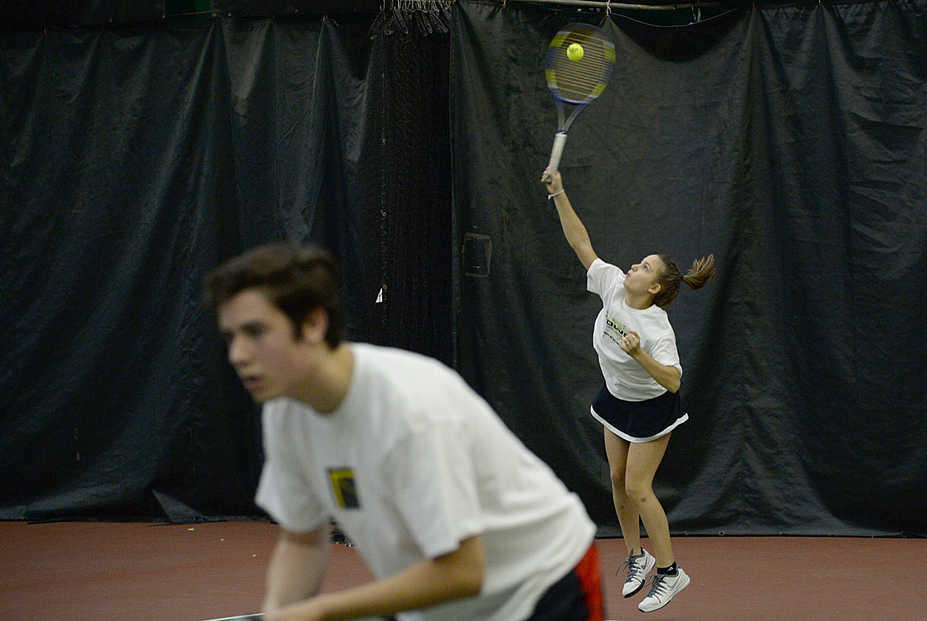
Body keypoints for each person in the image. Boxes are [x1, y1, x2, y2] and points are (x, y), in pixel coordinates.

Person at [203, 243, 603, 621]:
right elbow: (302, 540)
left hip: (543, 585)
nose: (237, 355)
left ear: (312, 324)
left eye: (255, 332)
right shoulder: (285, 409)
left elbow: (463, 571)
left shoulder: (412, 411)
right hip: (446, 606)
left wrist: (324, 611)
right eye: (230, 337)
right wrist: (279, 611)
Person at [542, 170, 715, 613]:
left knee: (640, 488)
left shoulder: (658, 330)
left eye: (644, 267)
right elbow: (582, 244)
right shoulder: (614, 285)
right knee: (616, 482)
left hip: (653, 409)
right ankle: (637, 556)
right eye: (637, 263)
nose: (633, 266)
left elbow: (674, 381)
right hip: (615, 400)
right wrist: (558, 191)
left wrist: (640, 356)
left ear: (654, 288)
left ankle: (672, 573)